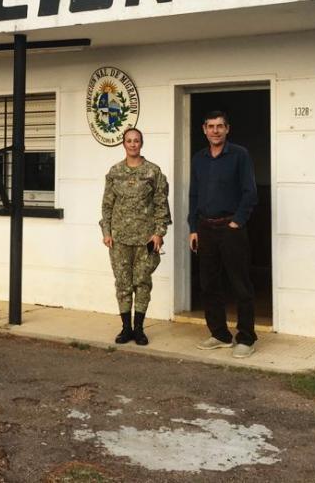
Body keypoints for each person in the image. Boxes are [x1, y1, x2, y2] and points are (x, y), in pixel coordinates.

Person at [188, 110, 258, 358]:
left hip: (230, 227)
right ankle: (219, 334)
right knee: (208, 284)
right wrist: (193, 228)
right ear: (204, 129)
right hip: (205, 227)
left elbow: (250, 192)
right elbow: (194, 195)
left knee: (240, 284)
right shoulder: (199, 159)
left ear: (227, 129)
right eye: (211, 126)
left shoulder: (239, 155)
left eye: (220, 126)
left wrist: (237, 222)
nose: (215, 130)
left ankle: (246, 338)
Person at [100, 127, 172, 346]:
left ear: (142, 143)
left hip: (146, 239)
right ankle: (126, 328)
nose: (133, 144)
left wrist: (159, 233)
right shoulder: (115, 172)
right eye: (129, 141)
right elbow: (107, 204)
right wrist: (107, 232)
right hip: (120, 238)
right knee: (122, 283)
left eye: (136, 141)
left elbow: (161, 204)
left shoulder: (153, 172)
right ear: (124, 144)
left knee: (142, 282)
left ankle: (139, 329)